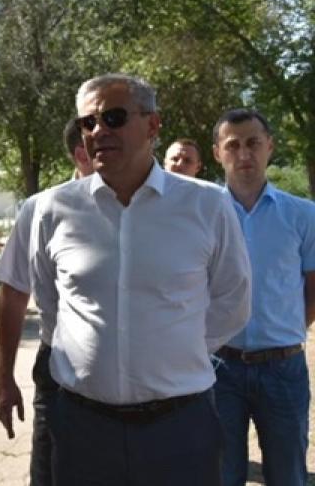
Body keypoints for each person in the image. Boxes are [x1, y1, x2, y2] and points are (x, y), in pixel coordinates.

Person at [30, 73, 251, 485]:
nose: (98, 131)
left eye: (113, 117)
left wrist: (172, 349)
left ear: (152, 125)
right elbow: (49, 302)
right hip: (82, 427)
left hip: (180, 426)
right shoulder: (54, 208)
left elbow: (232, 300)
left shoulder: (206, 205)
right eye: (88, 122)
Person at [211, 108, 315, 486]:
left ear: (270, 146)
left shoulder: (304, 215)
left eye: (253, 143)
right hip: (219, 368)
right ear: (217, 153)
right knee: (221, 475)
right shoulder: (203, 214)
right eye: (233, 145)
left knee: (288, 475)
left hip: (282, 369)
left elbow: (313, 285)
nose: (244, 154)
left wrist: (284, 328)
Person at [0, 117, 93, 486]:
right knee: (51, 472)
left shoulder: (150, 208)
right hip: (59, 369)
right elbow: (13, 295)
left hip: (135, 378)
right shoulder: (41, 209)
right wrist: (3, 380)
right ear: (82, 154)